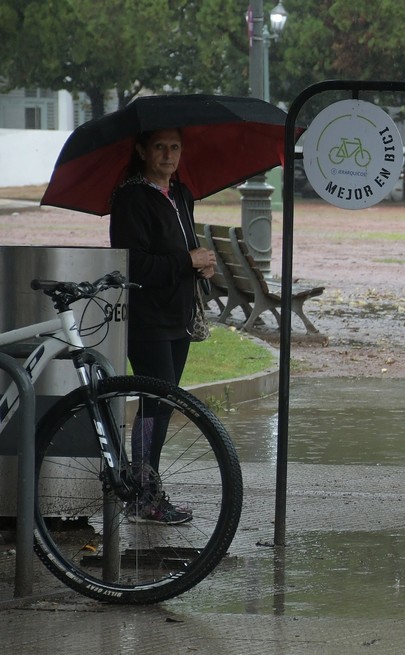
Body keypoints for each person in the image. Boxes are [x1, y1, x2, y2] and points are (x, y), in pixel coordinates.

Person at [108, 128, 216, 525]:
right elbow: (132, 264)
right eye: (159, 147)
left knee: (163, 404)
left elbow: (182, 251)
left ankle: (145, 490)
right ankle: (144, 496)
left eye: (174, 147)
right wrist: (185, 262)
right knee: (156, 403)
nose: (168, 155)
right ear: (141, 150)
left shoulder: (182, 194)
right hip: (148, 317)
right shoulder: (131, 198)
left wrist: (202, 264)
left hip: (179, 316)